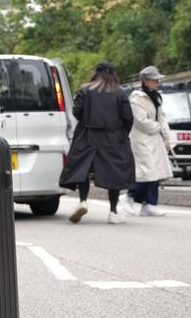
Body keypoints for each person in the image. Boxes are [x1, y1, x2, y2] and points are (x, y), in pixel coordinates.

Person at [58, 61, 136, 224]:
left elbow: (76, 111)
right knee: (114, 172)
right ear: (113, 74)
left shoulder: (85, 90)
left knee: (83, 168)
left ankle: (83, 201)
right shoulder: (120, 93)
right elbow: (128, 117)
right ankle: (113, 212)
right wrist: (121, 133)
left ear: (96, 73)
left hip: (87, 135)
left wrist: (87, 122)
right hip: (112, 137)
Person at [121, 66, 173, 216]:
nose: (157, 82)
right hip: (141, 140)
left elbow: (161, 117)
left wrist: (166, 137)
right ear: (145, 81)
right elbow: (142, 122)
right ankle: (129, 196)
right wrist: (159, 128)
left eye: (158, 79)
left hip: (155, 139)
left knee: (156, 172)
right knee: (147, 171)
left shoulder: (156, 96)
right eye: (154, 80)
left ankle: (149, 204)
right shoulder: (136, 98)